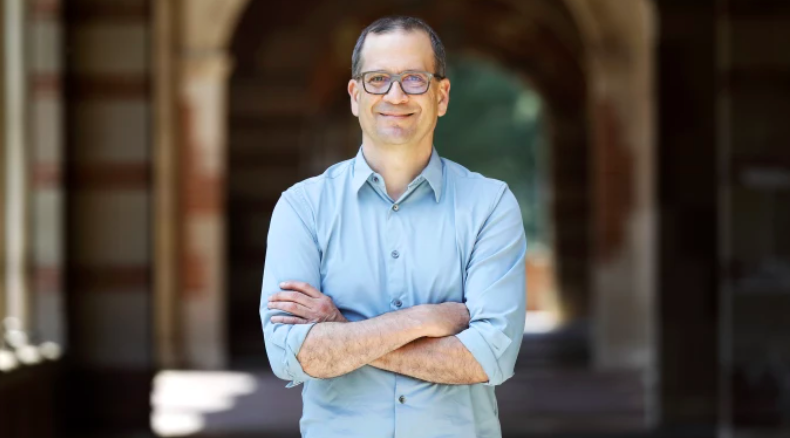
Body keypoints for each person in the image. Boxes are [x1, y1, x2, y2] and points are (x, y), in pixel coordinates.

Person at [260, 15, 527, 438]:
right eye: (378, 79)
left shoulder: (490, 205)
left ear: (441, 95)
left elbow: (488, 359)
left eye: (415, 79)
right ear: (355, 95)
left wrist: (343, 332)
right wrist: (423, 319)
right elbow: (291, 355)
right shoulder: (302, 208)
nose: (395, 95)